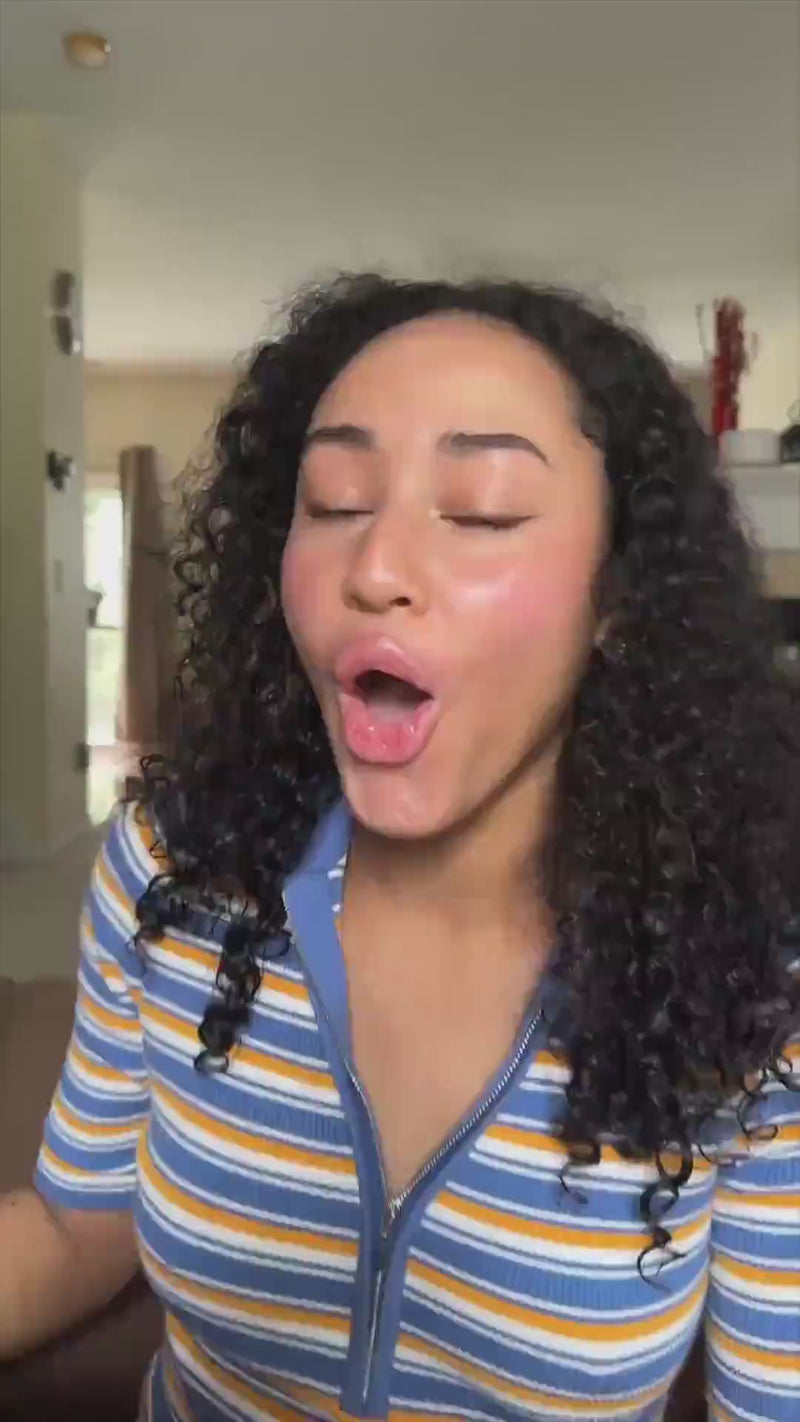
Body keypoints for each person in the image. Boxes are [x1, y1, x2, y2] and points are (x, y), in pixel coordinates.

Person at [1, 275, 797, 1422]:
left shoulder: (751, 982)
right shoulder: (172, 872)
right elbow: (75, 1228)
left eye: (480, 512)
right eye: (332, 501)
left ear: (617, 598)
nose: (373, 568)